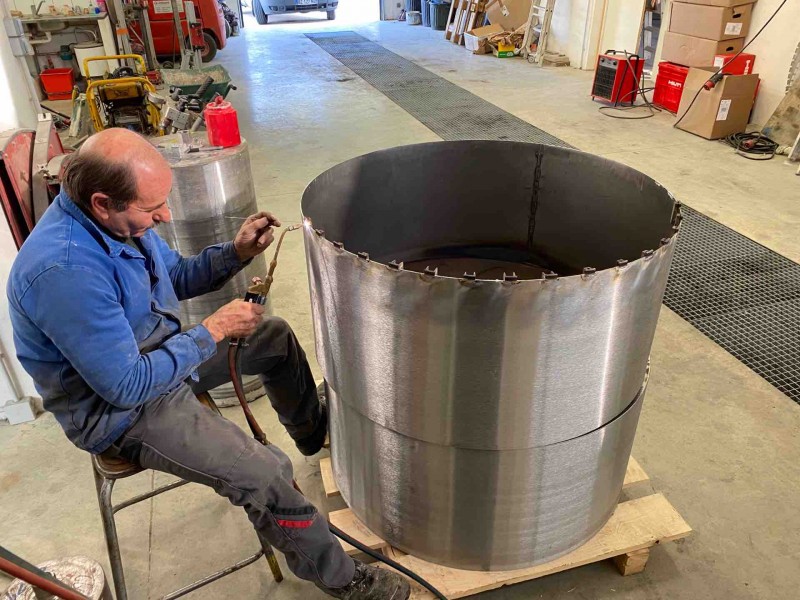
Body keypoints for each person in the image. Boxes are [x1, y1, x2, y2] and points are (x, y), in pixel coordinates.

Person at [7, 128, 410, 600]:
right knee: (262, 472)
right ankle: (345, 582)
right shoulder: (64, 272)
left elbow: (172, 277)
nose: (166, 215)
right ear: (101, 202)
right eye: (152, 208)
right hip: (123, 410)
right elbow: (128, 386)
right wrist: (213, 330)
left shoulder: (119, 223)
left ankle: (311, 433)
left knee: (272, 336)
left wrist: (235, 253)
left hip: (160, 359)